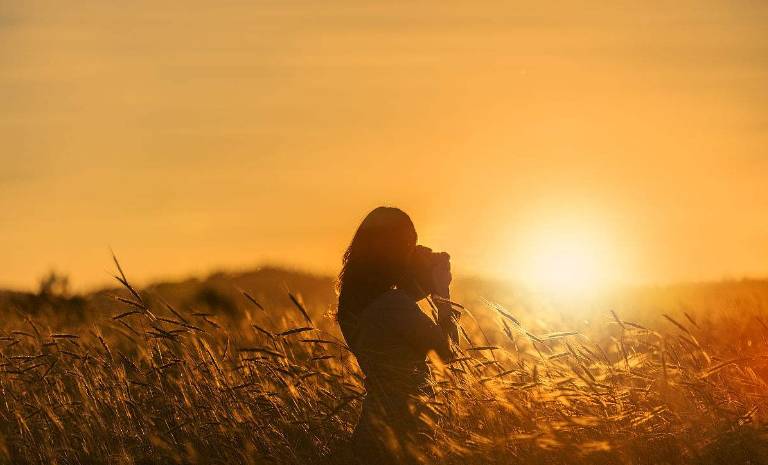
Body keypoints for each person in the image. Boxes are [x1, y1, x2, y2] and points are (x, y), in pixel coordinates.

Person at [336, 207, 460, 465]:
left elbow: (391, 323)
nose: (412, 253)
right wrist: (442, 292)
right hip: (401, 432)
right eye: (408, 246)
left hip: (373, 429)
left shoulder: (357, 304)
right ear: (392, 251)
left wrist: (418, 281)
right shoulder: (394, 306)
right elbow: (449, 355)